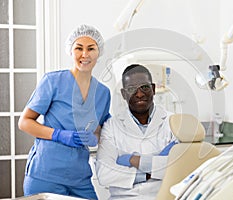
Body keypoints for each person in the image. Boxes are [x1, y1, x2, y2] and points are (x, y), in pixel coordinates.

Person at [18, 24, 111, 199]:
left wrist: (95, 137)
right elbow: (24, 122)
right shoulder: (52, 81)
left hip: (80, 177)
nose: (85, 54)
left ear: (99, 52)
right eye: (79, 48)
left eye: (91, 48)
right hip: (46, 174)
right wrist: (59, 135)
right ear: (70, 51)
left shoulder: (103, 93)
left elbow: (100, 130)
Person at [95, 64, 178, 199]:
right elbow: (104, 174)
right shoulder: (111, 126)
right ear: (123, 94)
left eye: (144, 87)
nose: (139, 94)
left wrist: (135, 160)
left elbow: (178, 168)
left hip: (162, 197)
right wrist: (147, 174)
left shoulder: (173, 122)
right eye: (131, 89)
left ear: (153, 89)